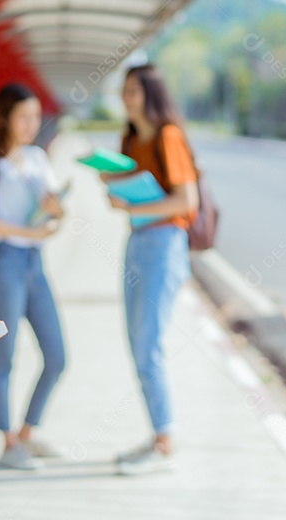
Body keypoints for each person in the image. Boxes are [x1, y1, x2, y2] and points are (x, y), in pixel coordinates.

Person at [106, 64, 199, 475]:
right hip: (138, 242)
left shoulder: (168, 136)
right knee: (137, 343)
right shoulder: (129, 137)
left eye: (134, 92)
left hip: (164, 245)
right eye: (124, 92)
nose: (127, 99)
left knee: (150, 347)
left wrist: (135, 206)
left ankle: (164, 442)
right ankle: (159, 435)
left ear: (151, 94)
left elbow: (186, 201)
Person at [0, 84, 67, 470]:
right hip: (4, 263)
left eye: (36, 117)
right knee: (6, 356)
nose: (32, 125)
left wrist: (57, 210)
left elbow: (55, 212)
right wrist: (34, 233)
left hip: (35, 265)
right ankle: (7, 440)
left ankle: (28, 433)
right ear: (4, 118)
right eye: (24, 117)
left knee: (57, 356)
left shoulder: (37, 158)